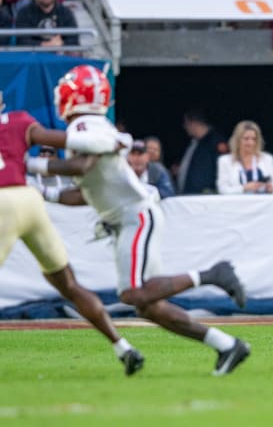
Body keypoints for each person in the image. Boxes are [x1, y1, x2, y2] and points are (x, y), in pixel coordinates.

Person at [27, 65, 251, 375]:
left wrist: (35, 164)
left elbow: (83, 164)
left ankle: (213, 274)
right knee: (148, 305)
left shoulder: (83, 128)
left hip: (135, 215)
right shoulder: (92, 128)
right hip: (126, 219)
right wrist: (42, 193)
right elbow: (83, 192)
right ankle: (227, 345)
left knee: (133, 294)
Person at [0, 90, 144, 376]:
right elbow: (68, 141)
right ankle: (122, 346)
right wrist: (112, 142)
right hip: (29, 201)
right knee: (68, 284)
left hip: (3, 203)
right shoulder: (17, 121)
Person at [217, 120, 273, 194]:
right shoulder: (224, 161)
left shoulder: (268, 159)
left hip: (263, 203)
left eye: (254, 139)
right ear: (237, 140)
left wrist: (272, 188)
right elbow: (223, 190)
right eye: (246, 139)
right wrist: (244, 188)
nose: (250, 143)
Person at [175, 109, 228, 194]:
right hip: (188, 195)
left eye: (186, 124)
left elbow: (223, 170)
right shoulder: (194, 143)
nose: (185, 127)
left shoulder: (216, 142)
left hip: (206, 197)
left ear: (193, 123)